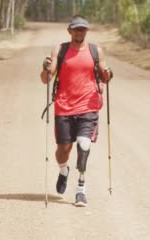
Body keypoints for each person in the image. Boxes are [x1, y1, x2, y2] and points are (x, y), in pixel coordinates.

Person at [40, 15, 113, 207]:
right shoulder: (60, 50)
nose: (80, 32)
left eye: (83, 29)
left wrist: (108, 74)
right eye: (77, 29)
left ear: (87, 31)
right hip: (63, 106)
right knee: (64, 149)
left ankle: (81, 189)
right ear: (69, 31)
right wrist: (45, 68)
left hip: (88, 106)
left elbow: (105, 76)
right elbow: (46, 78)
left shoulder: (96, 51)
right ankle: (64, 170)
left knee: (84, 144)